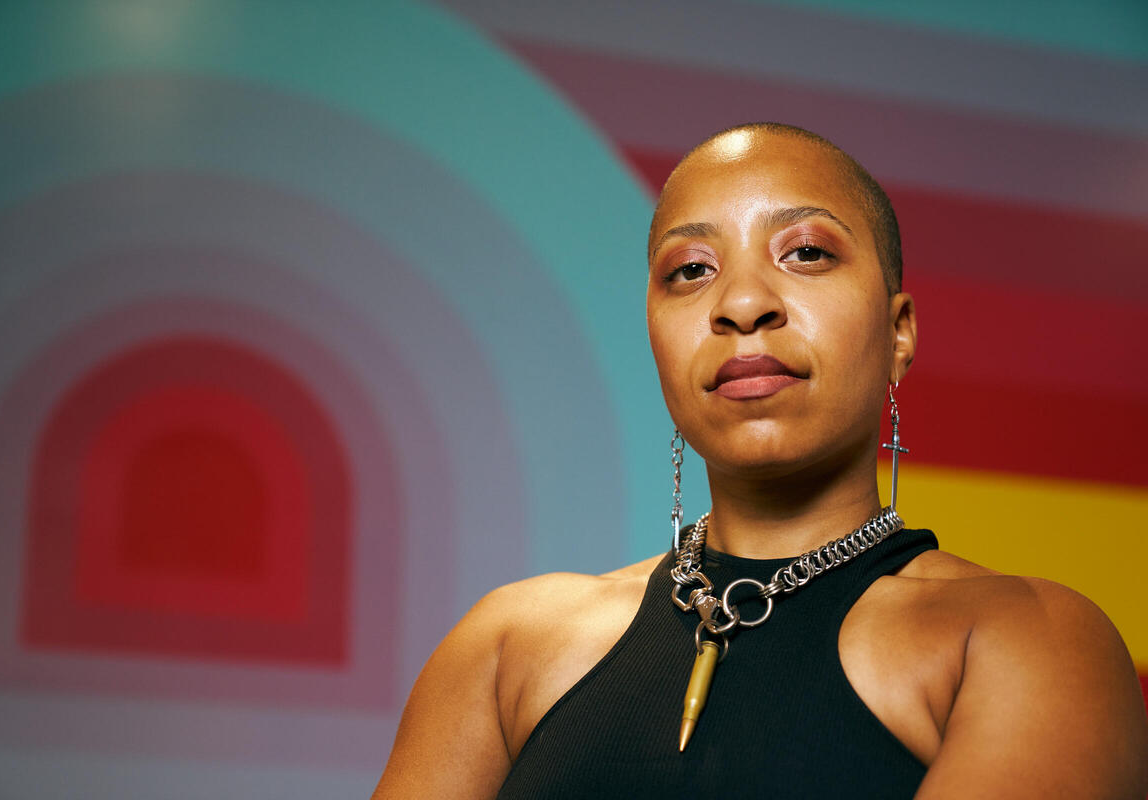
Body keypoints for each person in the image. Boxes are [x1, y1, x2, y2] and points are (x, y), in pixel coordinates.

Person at [372, 123, 1148, 798]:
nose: (742, 303)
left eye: (806, 252)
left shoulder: (1024, 640)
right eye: (690, 270)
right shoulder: (505, 648)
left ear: (899, 332)